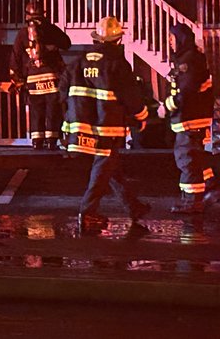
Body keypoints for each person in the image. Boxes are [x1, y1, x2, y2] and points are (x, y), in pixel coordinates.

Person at [61, 15, 152, 235]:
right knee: (103, 168)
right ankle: (87, 211)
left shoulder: (77, 62)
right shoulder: (117, 64)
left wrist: (69, 120)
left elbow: (62, 91)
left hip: (81, 127)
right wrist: (142, 115)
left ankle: (134, 207)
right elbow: (131, 95)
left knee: (111, 168)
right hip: (106, 128)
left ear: (96, 38)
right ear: (118, 40)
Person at [158, 23, 220, 213]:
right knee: (196, 159)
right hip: (192, 119)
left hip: (190, 120)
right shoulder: (189, 59)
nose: (169, 42)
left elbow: (186, 92)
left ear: (181, 39)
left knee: (187, 160)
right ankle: (210, 187)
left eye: (171, 38)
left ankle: (192, 202)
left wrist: (166, 107)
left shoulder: (189, 61)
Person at [10, 1, 70, 149]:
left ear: (26, 15)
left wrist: (18, 79)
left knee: (36, 110)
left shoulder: (22, 34)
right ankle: (51, 141)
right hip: (51, 78)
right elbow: (67, 43)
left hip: (33, 80)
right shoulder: (50, 29)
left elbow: (15, 57)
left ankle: (37, 141)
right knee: (52, 110)